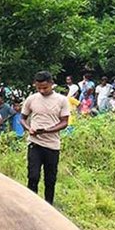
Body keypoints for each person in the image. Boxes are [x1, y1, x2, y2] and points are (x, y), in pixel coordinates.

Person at [20, 71, 69, 206]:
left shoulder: (61, 100)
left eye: (45, 87)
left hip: (52, 144)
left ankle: (48, 206)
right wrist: (28, 128)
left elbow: (65, 122)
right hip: (35, 143)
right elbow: (22, 118)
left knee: (50, 179)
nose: (42, 90)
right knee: (33, 176)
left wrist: (47, 130)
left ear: (51, 84)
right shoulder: (31, 99)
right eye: (39, 88)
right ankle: (31, 205)